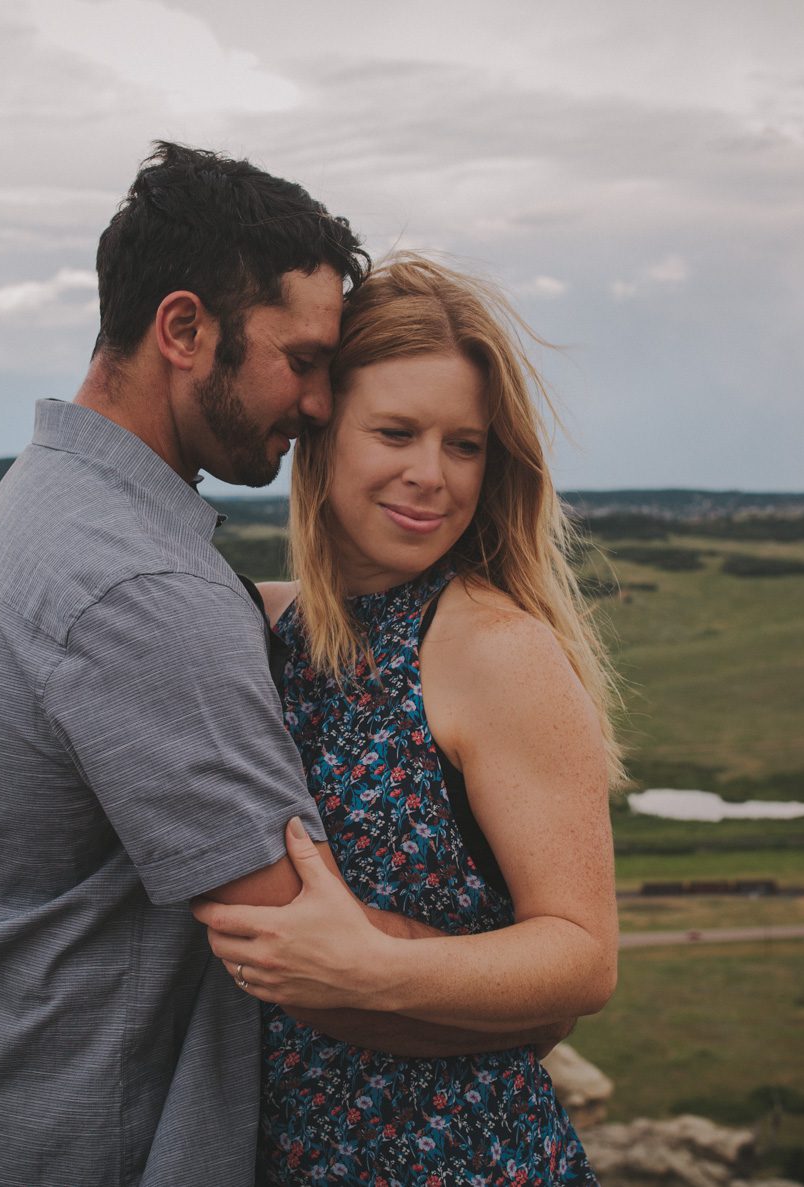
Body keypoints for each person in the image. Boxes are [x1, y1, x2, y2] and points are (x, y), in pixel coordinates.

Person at [0, 146, 556, 1187]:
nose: (318, 404)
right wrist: (529, 999)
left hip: (3, 1094)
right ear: (185, 329)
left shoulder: (50, 500)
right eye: (301, 360)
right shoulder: (143, 584)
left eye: (461, 444)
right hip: (95, 1131)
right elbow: (308, 963)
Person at [191, 254, 623, 1184]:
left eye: (463, 444)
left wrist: (374, 971)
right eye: (395, 431)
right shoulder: (259, 631)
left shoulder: (493, 650)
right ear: (322, 432)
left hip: (466, 1160)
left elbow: (582, 957)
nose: (431, 475)